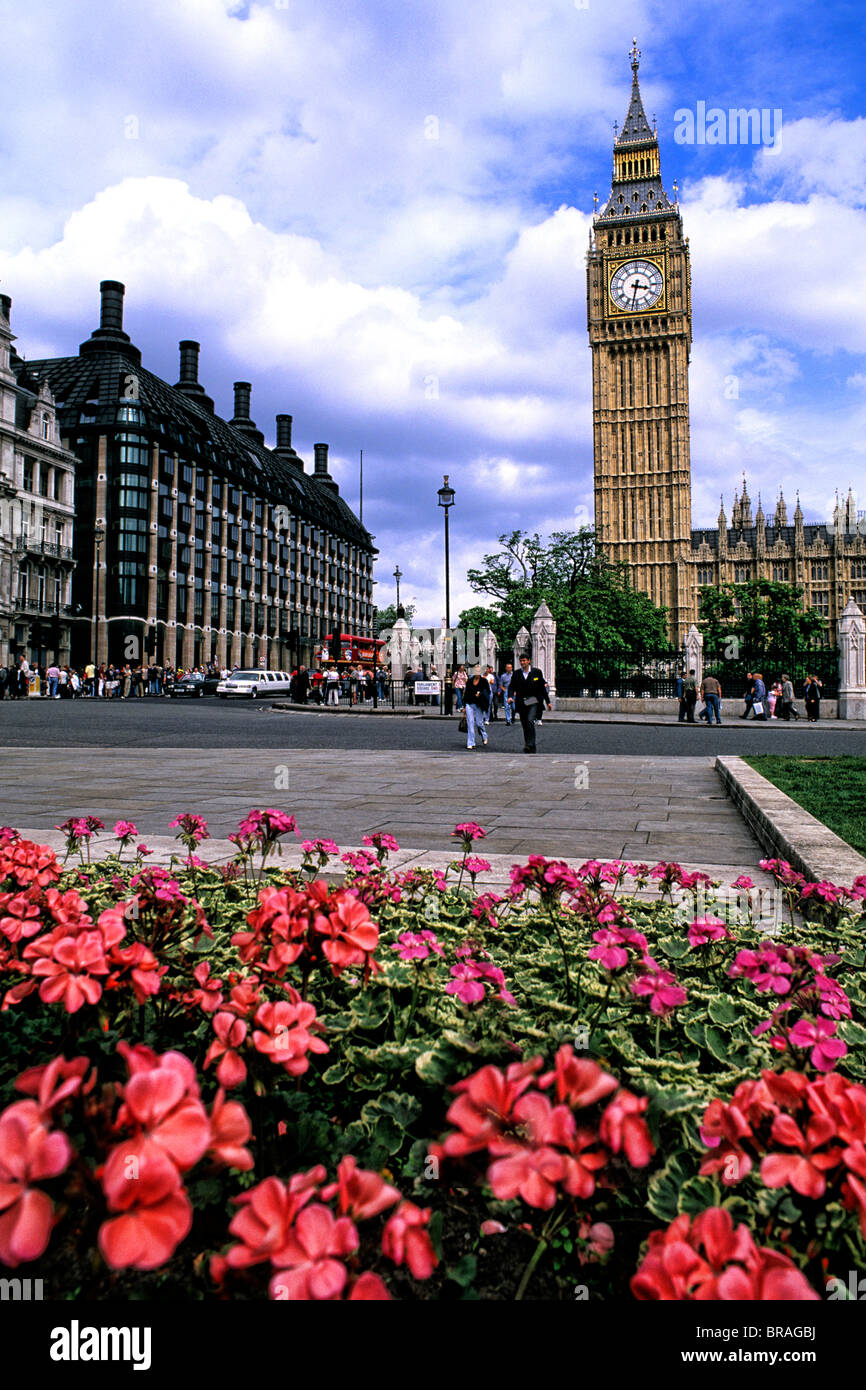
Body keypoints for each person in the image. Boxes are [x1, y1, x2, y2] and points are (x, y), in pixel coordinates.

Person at [511, 652, 551, 754]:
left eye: (524, 660)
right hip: (521, 701)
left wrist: (548, 701)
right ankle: (528, 744)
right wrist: (510, 697)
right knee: (524, 724)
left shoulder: (537, 672)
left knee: (529, 721)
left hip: (533, 700)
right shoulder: (516, 673)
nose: (522, 662)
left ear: (529, 661)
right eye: (521, 661)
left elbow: (542, 688)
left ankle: (530, 744)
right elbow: (512, 687)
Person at [462, 670, 490, 749]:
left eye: (478, 672)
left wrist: (480, 694)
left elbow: (488, 692)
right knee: (470, 723)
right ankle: (471, 742)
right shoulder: (470, 681)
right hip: (469, 703)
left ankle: (484, 735)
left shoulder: (484, 681)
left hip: (479, 704)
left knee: (479, 723)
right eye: (475, 672)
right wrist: (464, 705)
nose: (477, 673)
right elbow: (466, 692)